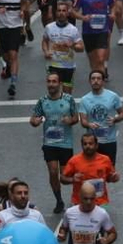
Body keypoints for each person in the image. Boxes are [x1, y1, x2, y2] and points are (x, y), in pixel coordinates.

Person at [30, 72, 79, 213]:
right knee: (52, 172)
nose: (51, 84)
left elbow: (76, 118)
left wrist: (70, 120)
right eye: (49, 81)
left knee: (64, 177)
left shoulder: (68, 99)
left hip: (65, 143)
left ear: (59, 84)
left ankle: (78, 194)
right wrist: (35, 122)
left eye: (54, 81)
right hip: (49, 143)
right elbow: (33, 119)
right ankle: (59, 200)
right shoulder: (42, 101)